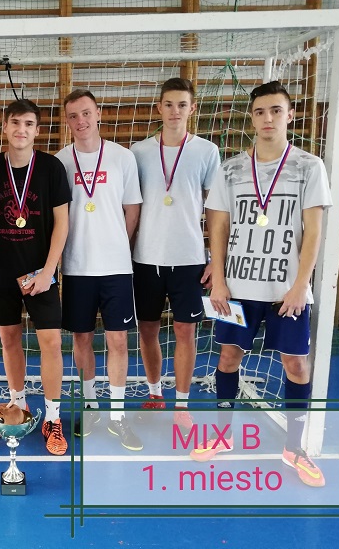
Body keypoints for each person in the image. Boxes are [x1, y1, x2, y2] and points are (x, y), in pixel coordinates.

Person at [192, 80, 330, 488]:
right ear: (251, 118)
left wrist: (300, 285)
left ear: (290, 115)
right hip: (237, 289)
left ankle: (294, 448)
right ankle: (223, 435)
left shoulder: (309, 166)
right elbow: (217, 226)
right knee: (227, 359)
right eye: (259, 112)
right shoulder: (231, 169)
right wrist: (219, 279)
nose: (268, 118)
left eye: (276, 110)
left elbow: (314, 231)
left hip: (287, 291)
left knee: (297, 363)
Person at [0, 98, 71, 456]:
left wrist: (49, 271)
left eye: (29, 124)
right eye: (15, 123)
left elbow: (62, 223)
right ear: (5, 126)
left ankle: (53, 418)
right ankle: (18, 403)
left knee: (51, 342)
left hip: (40, 272)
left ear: (37, 130)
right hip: (2, 272)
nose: (21, 129)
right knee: (9, 340)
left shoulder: (50, 167)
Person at [131, 78, 220, 431]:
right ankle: (155, 393)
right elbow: (131, 206)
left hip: (189, 259)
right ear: (159, 107)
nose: (175, 111)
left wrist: (217, 259)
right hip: (145, 258)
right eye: (168, 104)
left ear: (192, 108)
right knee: (147, 330)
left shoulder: (206, 151)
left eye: (182, 104)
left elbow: (216, 210)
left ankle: (182, 403)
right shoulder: (139, 152)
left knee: (185, 331)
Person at [56, 89, 143, 451]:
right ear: (67, 121)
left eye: (86, 113)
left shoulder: (123, 157)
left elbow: (132, 209)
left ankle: (117, 415)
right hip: (76, 266)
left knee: (118, 340)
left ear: (98, 114)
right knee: (81, 340)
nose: (81, 121)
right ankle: (91, 407)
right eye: (73, 115)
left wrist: (116, 243)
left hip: (116, 268)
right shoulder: (60, 161)